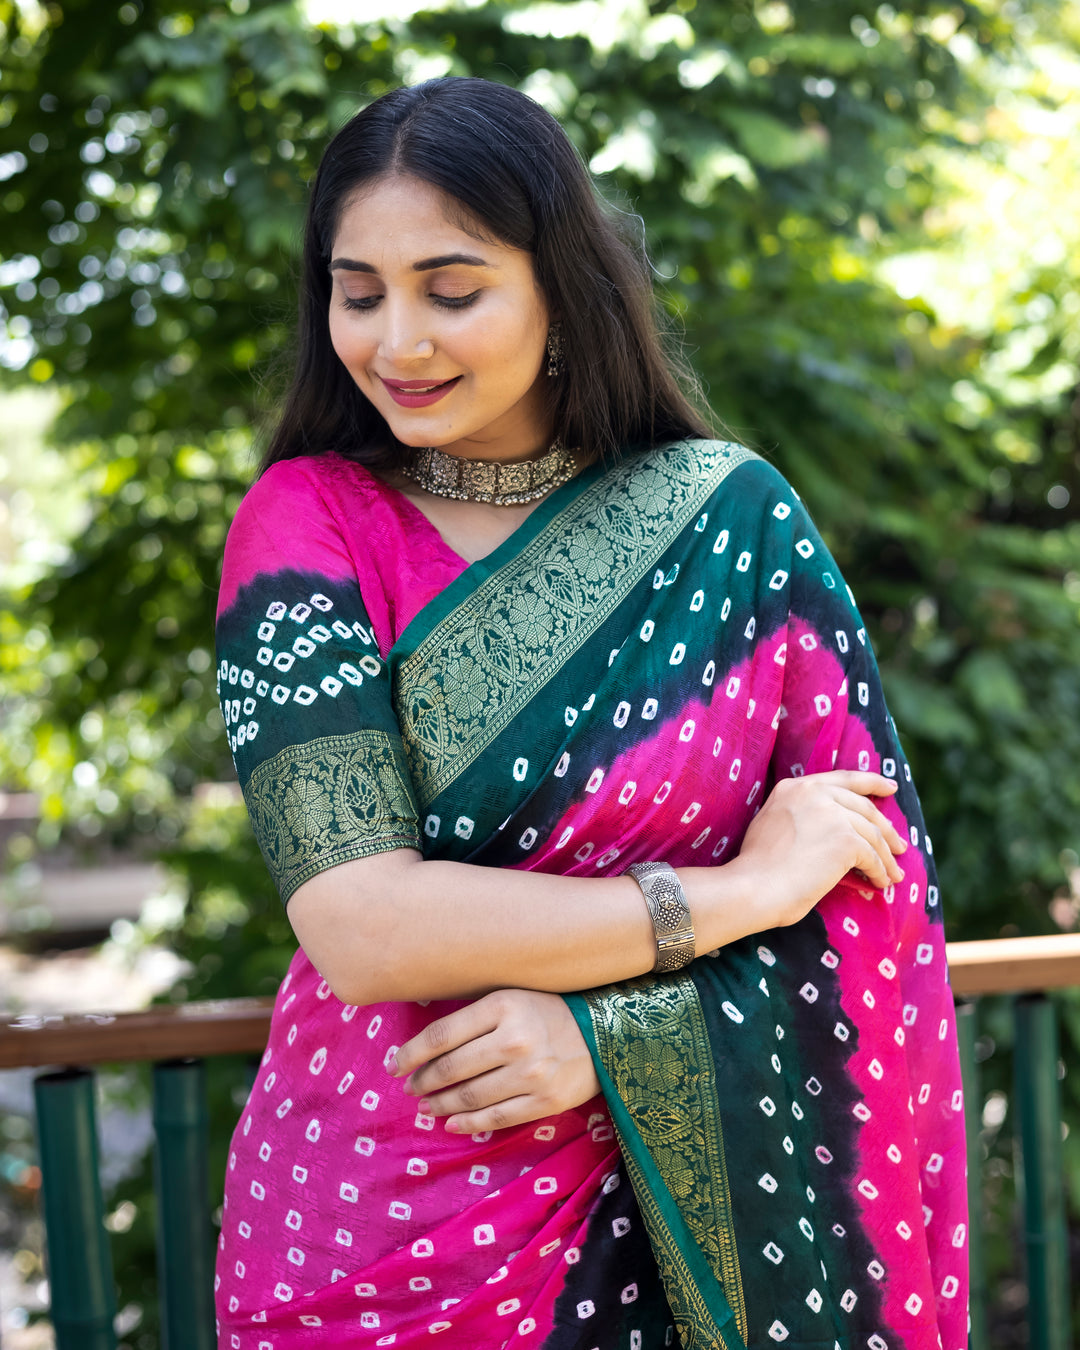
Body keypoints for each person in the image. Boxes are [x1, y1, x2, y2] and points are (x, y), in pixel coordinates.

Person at [213, 76, 968, 1350]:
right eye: (359, 292)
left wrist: (615, 1043)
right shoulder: (309, 525)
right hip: (378, 1228)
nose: (398, 341)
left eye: (453, 291)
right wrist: (731, 898)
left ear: (561, 285)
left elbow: (867, 897)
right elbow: (362, 924)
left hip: (702, 1240)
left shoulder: (733, 527)